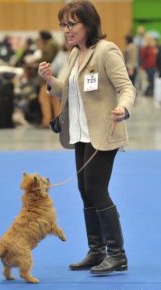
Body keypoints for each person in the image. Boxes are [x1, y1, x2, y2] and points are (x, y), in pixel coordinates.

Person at [38, 0, 135, 275]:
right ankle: (96, 251)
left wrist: (123, 108)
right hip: (80, 134)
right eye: (63, 25)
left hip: (103, 133)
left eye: (71, 24)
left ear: (88, 25)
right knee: (85, 191)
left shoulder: (106, 51)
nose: (66, 30)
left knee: (96, 190)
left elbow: (126, 87)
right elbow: (64, 92)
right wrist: (48, 79)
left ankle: (117, 254)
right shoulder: (73, 54)